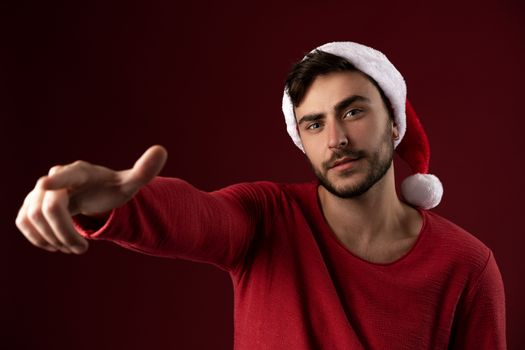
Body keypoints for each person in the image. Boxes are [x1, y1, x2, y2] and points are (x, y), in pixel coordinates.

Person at [15, 41, 506, 349]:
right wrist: (112, 201)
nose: (335, 138)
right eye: (314, 123)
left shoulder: (466, 265)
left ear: (394, 122)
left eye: (353, 112)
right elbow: (198, 216)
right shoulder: (267, 218)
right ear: (302, 139)